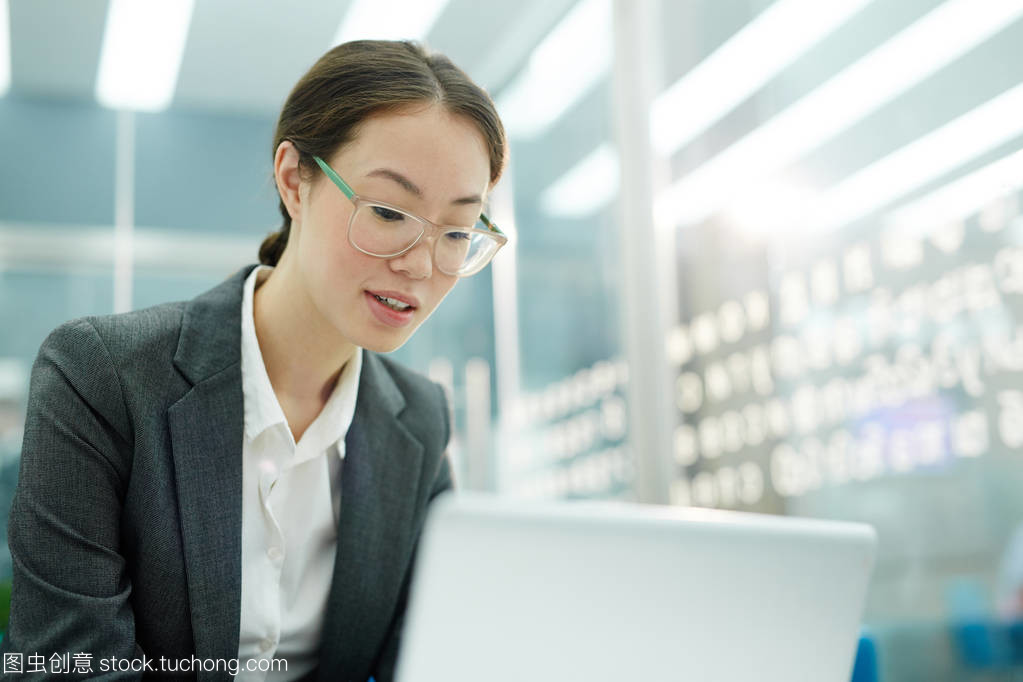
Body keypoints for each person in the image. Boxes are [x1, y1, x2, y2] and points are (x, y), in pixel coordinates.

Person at [1, 39, 507, 681]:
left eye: (457, 233)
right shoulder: (101, 376)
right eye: (387, 211)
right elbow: (66, 664)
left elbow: (420, 652)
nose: (419, 264)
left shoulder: (420, 420)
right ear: (295, 179)